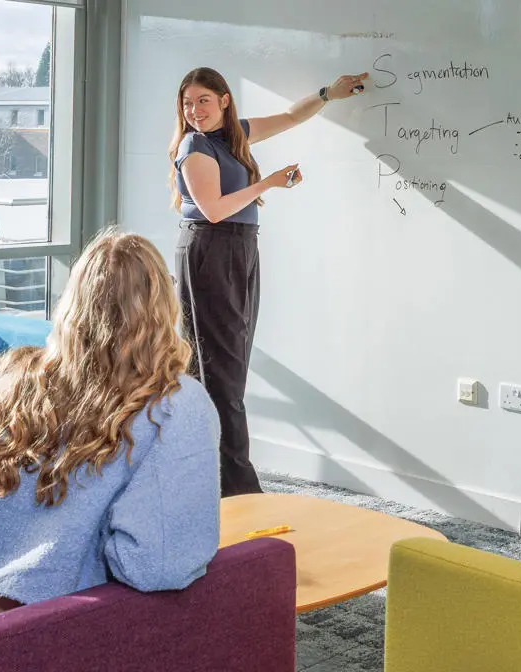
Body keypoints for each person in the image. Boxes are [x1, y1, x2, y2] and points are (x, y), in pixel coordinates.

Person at [0, 230, 220, 616]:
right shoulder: (175, 403)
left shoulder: (10, 376)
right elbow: (158, 566)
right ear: (162, 305)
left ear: (73, 300)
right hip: (29, 632)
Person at [171, 66, 369, 496]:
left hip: (240, 248)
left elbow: (291, 117)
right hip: (211, 248)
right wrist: (270, 183)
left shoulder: (234, 136)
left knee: (225, 365)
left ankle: (201, 475)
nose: (194, 110)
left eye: (203, 100)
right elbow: (214, 210)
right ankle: (238, 488)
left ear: (224, 100)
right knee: (220, 371)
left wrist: (327, 93)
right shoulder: (195, 146)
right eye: (187, 103)